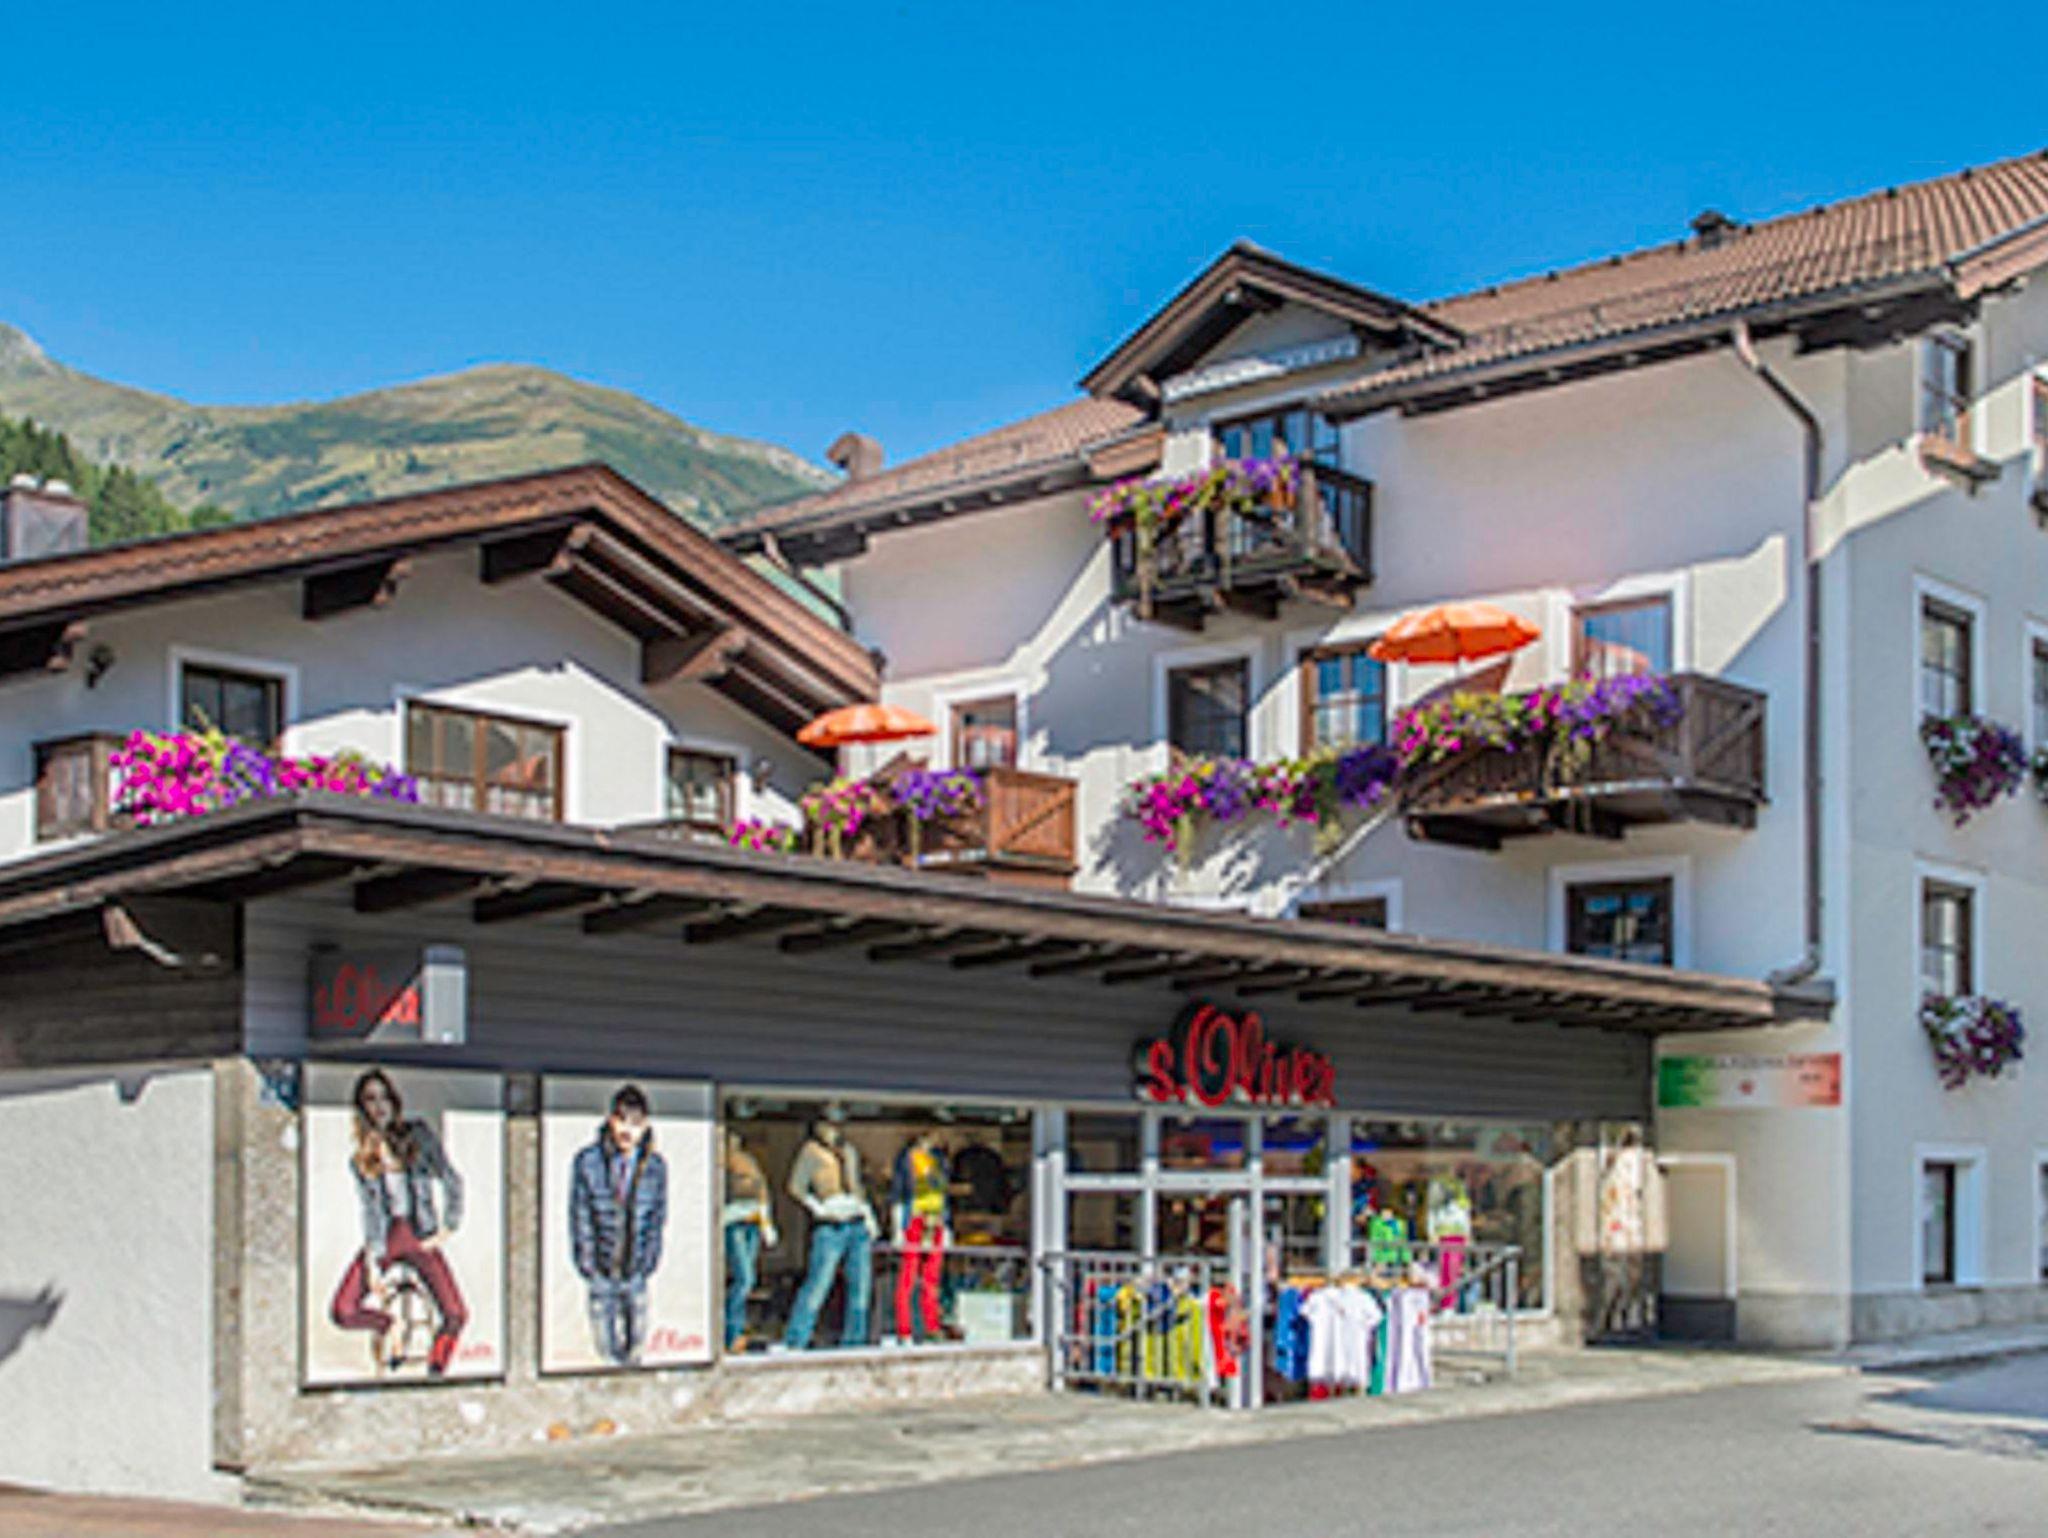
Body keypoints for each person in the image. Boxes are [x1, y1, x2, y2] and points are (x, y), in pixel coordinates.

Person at [329, 1069, 469, 1376]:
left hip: (419, 1232)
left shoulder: (417, 1135)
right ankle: (388, 1325)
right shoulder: (363, 1156)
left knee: (455, 1313)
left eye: (384, 1097)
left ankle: (436, 1366)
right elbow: (370, 1211)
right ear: (362, 1107)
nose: (379, 1106)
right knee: (343, 1309)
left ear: (394, 1101)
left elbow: (451, 1179)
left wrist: (448, 1227)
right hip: (386, 1238)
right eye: (370, 1099)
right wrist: (371, 1263)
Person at [570, 1084, 669, 1366]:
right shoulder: (588, 1162)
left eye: (635, 1123)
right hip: (601, 1271)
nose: (627, 1130)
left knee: (636, 1347)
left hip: (635, 1271)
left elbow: (657, 1218)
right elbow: (580, 1215)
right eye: (622, 1120)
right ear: (611, 1120)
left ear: (645, 1125)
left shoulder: (655, 1167)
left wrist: (647, 1263)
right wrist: (588, 1265)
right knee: (605, 1352)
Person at [783, 1113, 876, 1349]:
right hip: (831, 1222)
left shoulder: (849, 1150)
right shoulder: (811, 1151)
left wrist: (868, 1215)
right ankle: (796, 1339)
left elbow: (856, 1185)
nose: (832, 1129)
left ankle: (855, 1341)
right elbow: (795, 1186)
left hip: (855, 1220)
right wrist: (818, 1207)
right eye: (827, 1124)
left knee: (861, 1286)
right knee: (819, 1283)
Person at [890, 1129, 950, 1342]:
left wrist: (947, 1224)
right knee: (908, 1276)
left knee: (931, 1278)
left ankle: (932, 1328)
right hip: (915, 1219)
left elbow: (943, 1193)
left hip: (936, 1220)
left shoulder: (939, 1159)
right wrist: (897, 1228)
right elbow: (898, 1193)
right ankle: (904, 1330)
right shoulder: (906, 1158)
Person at [722, 1127, 777, 1351]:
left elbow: (762, 1191)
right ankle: (731, 1333)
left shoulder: (748, 1161)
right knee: (744, 1278)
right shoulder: (719, 1163)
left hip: (752, 1222)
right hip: (733, 1222)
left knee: (747, 1279)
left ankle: (738, 1330)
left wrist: (767, 1224)